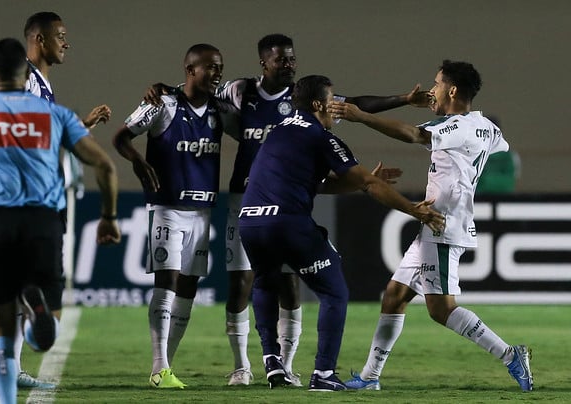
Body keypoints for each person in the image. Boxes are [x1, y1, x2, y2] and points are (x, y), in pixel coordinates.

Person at [145, 33, 431, 387]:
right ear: (264, 62)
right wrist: (167, 90)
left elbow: (354, 107)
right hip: (256, 202)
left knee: (275, 282)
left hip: (258, 211)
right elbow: (198, 89)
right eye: (282, 60)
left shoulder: (296, 106)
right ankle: (267, 368)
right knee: (256, 283)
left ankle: (279, 363)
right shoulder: (241, 92)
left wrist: (402, 99)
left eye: (293, 59)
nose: (289, 65)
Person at [0, 37, 120, 404]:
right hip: (43, 224)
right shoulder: (54, 115)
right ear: (25, 74)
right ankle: (36, 320)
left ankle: (6, 401)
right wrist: (109, 217)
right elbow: (105, 166)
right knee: (45, 333)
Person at [327, 60, 533, 392]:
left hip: (442, 224)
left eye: (436, 84)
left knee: (441, 310)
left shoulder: (459, 127)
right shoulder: (484, 127)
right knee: (394, 296)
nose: (431, 89)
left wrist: (360, 116)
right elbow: (496, 144)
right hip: (440, 222)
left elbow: (412, 134)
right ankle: (369, 377)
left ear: (452, 90)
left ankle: (510, 355)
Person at [238, 74, 445, 392]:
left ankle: (272, 361)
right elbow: (369, 183)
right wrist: (413, 209)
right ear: (319, 104)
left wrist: (359, 183)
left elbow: (316, 184)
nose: (338, 106)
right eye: (333, 100)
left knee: (266, 280)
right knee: (334, 291)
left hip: (250, 221)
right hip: (287, 222)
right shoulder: (319, 136)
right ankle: (323, 374)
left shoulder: (278, 133)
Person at [114, 43, 237, 389]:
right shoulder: (163, 105)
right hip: (167, 207)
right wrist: (139, 162)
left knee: (188, 288)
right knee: (166, 281)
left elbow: (249, 132)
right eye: (210, 67)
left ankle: (166, 363)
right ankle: (159, 367)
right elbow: (122, 137)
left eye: (220, 67)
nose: (217, 74)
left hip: (202, 211)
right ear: (190, 69)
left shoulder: (220, 110)